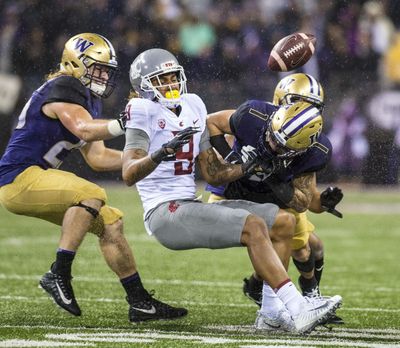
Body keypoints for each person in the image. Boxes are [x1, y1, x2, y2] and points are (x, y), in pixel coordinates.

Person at [121, 48, 342, 334]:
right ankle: (298, 308)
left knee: (283, 222)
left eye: (174, 77)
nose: (172, 85)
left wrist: (250, 164)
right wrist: (160, 153)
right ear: (144, 85)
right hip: (164, 211)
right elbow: (128, 173)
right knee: (253, 226)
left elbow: (214, 173)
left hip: (189, 203)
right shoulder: (141, 109)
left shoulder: (193, 105)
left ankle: (271, 314)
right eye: (163, 80)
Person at [0, 33, 187, 323]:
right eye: (97, 67)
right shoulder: (64, 85)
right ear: (74, 63)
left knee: (112, 222)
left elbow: (97, 157)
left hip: (37, 179)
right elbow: (84, 129)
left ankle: (139, 302)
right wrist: (124, 123)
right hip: (18, 178)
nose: (103, 75)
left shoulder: (86, 98)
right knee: (92, 193)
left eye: (106, 70)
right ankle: (58, 273)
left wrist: (152, 159)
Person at [206, 75, 344, 330]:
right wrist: (233, 158)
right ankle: (270, 292)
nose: (272, 145)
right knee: (297, 240)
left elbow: (304, 202)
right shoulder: (253, 115)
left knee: (305, 242)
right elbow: (212, 122)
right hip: (232, 191)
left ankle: (272, 298)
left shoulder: (316, 149)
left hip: (273, 197)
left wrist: (274, 180)